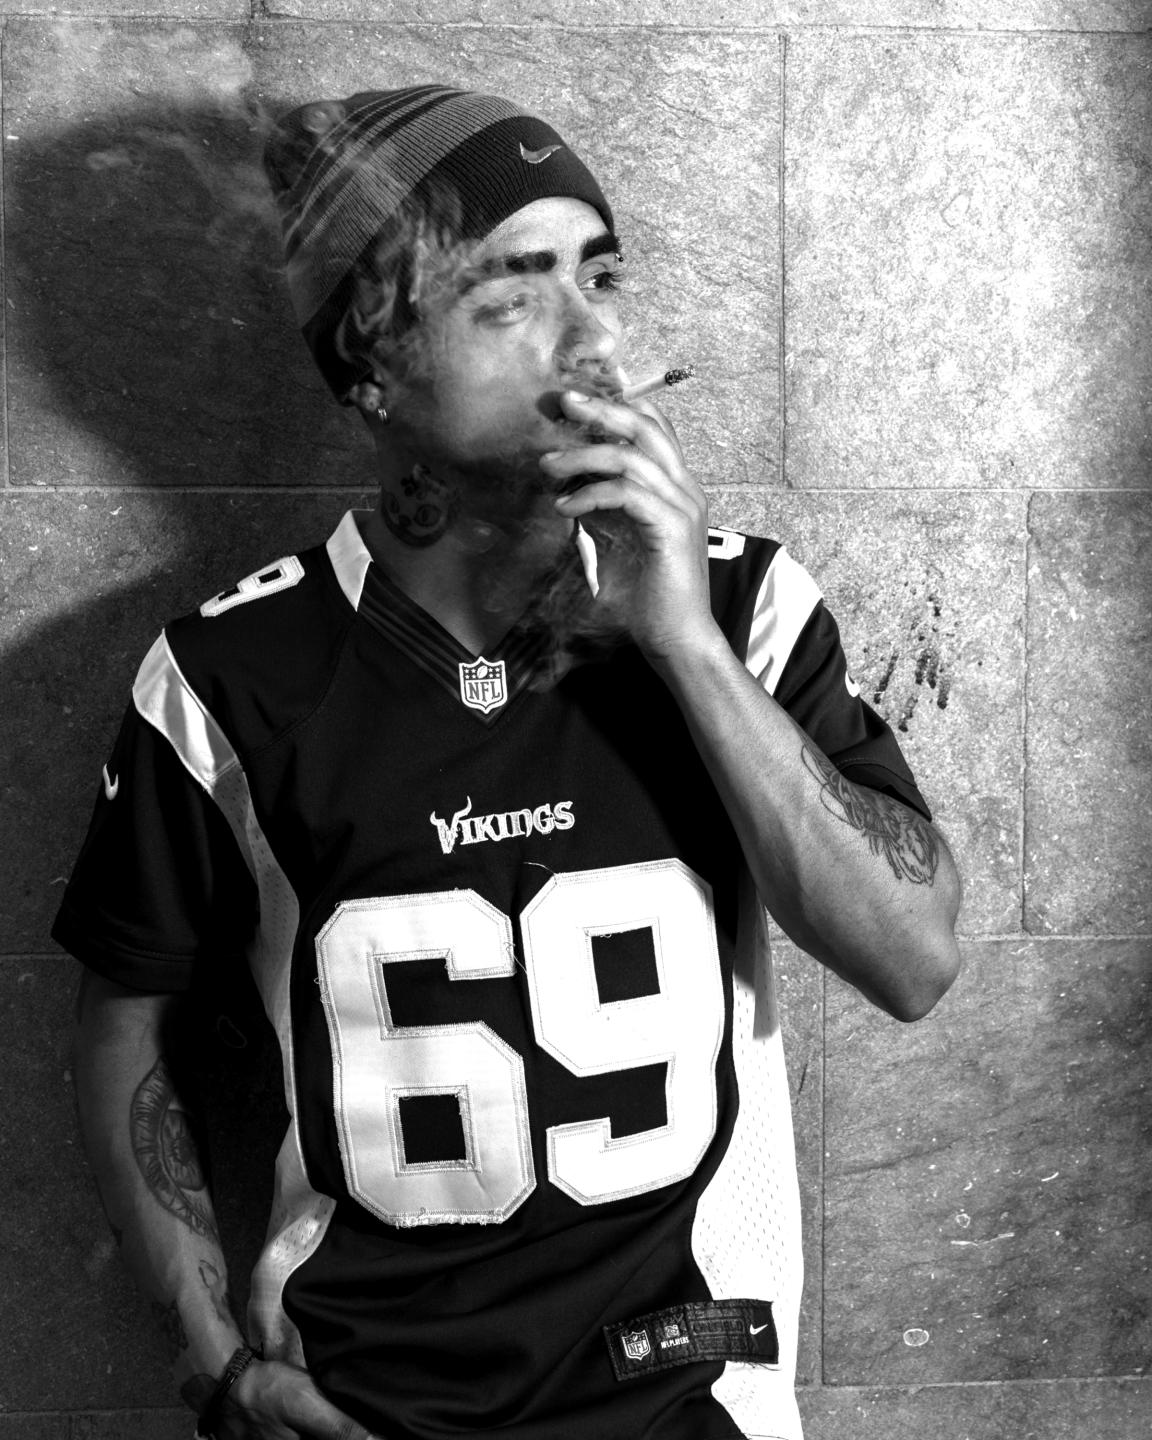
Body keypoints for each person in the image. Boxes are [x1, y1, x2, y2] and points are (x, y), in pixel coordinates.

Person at [55, 85, 962, 1440]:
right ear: (371, 365)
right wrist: (219, 1365)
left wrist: (681, 644)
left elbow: (916, 961)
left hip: (689, 1400)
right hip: (370, 1408)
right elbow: (123, 1022)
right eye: (511, 294)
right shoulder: (231, 677)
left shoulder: (742, 607)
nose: (593, 338)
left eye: (601, 275)